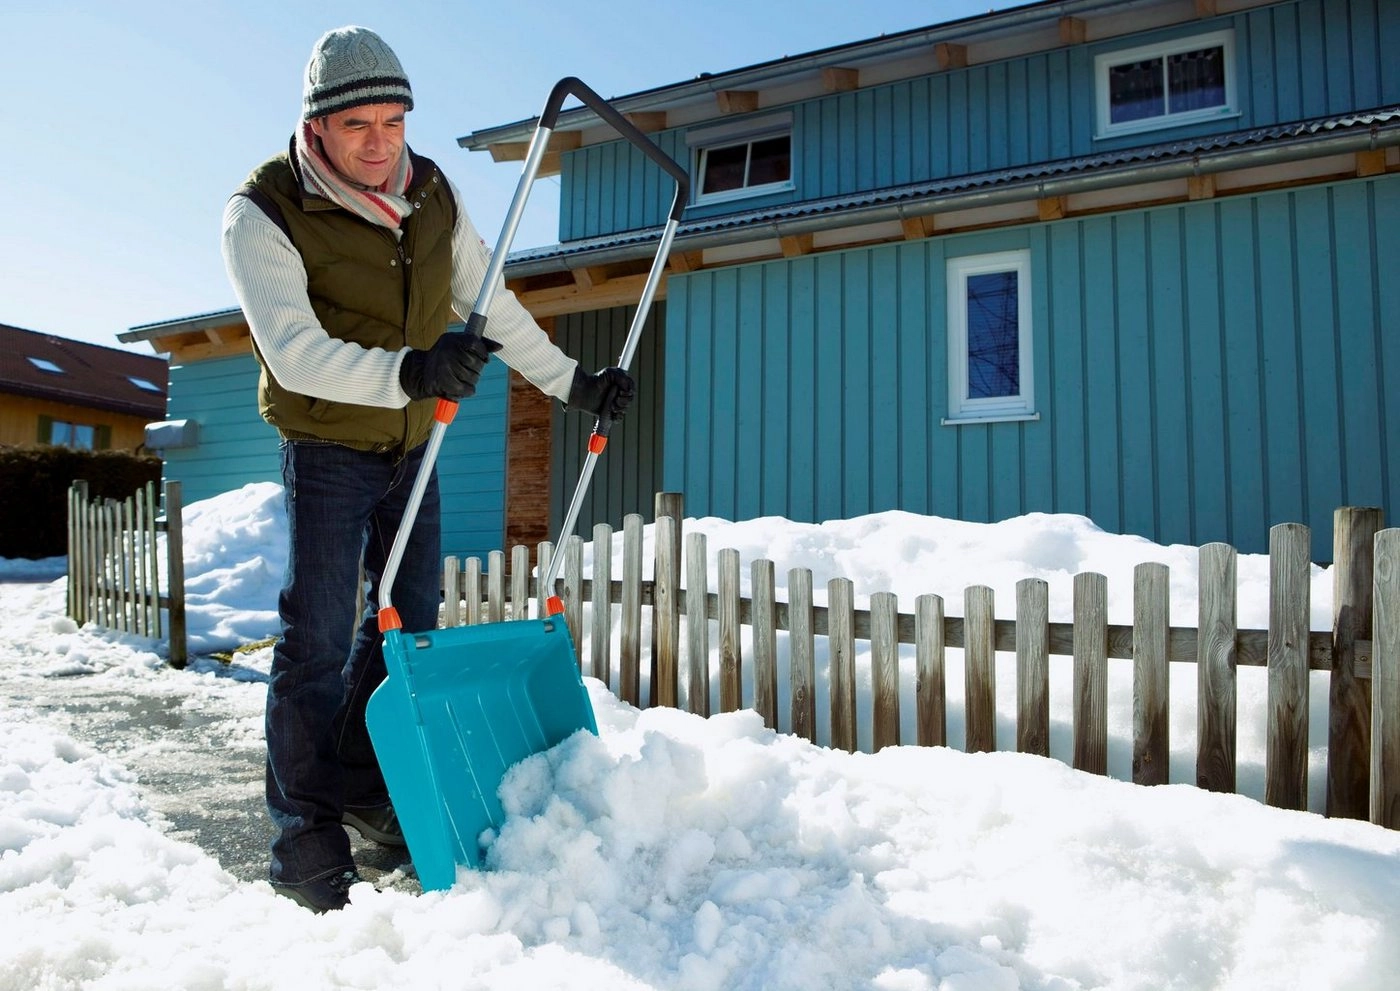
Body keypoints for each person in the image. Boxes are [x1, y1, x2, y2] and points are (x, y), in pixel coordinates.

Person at [221, 25, 634, 913]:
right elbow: (292, 352)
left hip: (415, 443)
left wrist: (574, 383)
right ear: (317, 128)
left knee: (407, 630)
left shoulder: (432, 193)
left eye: (393, 122)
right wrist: (409, 369)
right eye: (358, 125)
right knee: (318, 640)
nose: (379, 143)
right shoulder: (262, 210)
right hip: (328, 443)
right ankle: (306, 836)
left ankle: (370, 791)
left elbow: (488, 302)